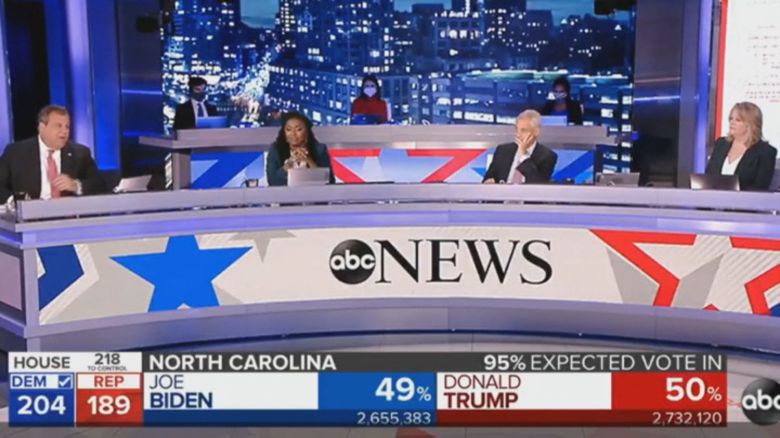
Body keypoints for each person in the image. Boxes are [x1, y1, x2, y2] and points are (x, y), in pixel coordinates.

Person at [0, 105, 105, 203]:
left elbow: (100, 185)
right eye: (58, 126)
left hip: (68, 213)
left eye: (67, 126)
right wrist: (15, 201)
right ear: (42, 127)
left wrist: (75, 185)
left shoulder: (80, 153)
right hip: (29, 214)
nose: (64, 131)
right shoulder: (16, 153)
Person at [706, 102, 777, 191]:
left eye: (738, 120)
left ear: (750, 124)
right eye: (731, 119)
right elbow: (708, 177)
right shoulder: (721, 144)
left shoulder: (765, 152)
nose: (732, 122)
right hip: (713, 198)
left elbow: (760, 187)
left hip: (745, 199)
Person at [483, 110, 558, 184]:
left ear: (536, 131)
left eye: (523, 130)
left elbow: (538, 185)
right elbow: (487, 179)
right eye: (517, 129)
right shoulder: (502, 150)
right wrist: (488, 182)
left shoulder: (548, 156)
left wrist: (524, 156)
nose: (518, 135)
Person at [265, 112, 334, 186]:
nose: (293, 134)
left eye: (299, 129)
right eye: (288, 129)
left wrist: (308, 160)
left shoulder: (319, 149)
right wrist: (289, 164)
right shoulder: (275, 150)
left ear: (307, 132)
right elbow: (272, 182)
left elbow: (329, 181)